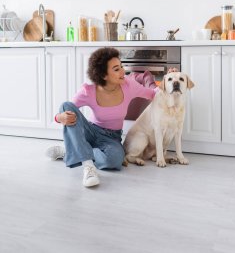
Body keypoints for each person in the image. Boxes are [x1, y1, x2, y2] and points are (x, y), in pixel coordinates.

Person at [46, 47, 158, 188]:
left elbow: (153, 94)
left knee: (115, 160)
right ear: (104, 75)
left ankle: (70, 151)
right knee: (66, 105)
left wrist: (170, 80)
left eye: (121, 66)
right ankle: (88, 167)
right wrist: (58, 118)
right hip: (91, 131)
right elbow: (68, 109)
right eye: (116, 69)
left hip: (111, 138)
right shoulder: (89, 90)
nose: (123, 71)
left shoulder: (129, 85)